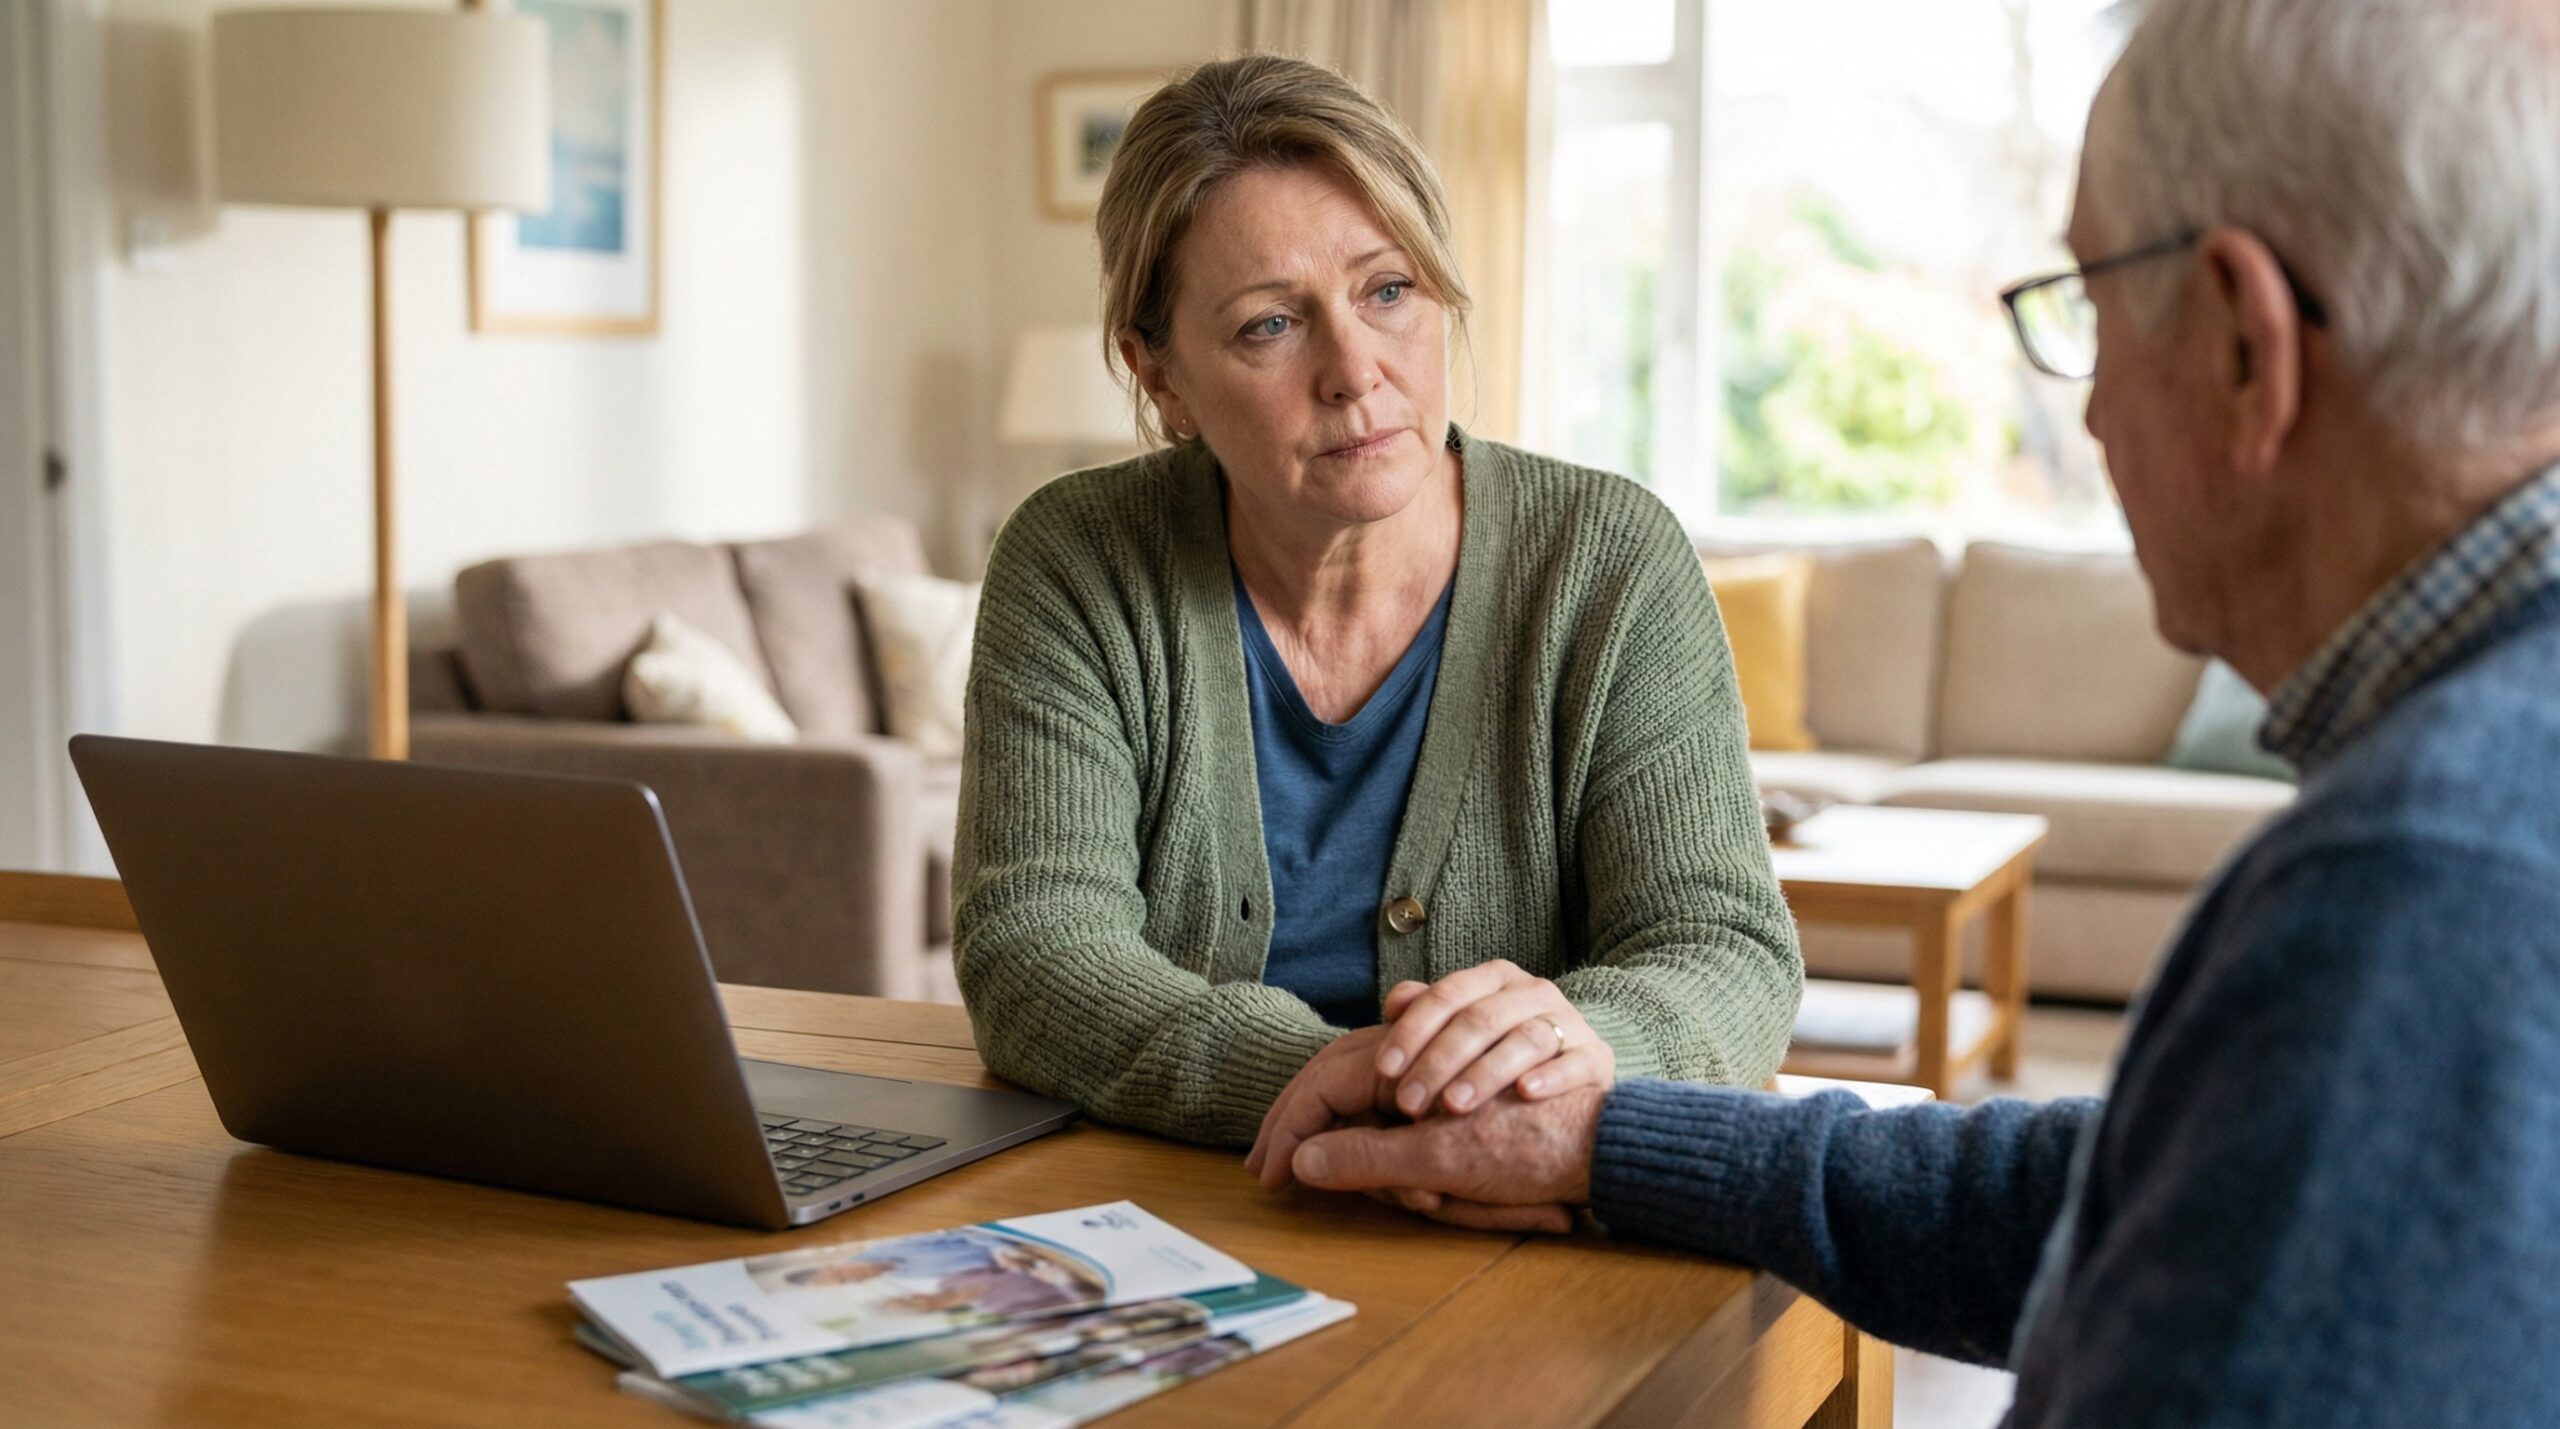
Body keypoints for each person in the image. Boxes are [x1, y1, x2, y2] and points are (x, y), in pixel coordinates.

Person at [1260, 0, 2560, 1421]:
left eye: (2089, 310)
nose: (2093, 415)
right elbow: (2140, 1186)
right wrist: (1609, 1138)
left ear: (2249, 345)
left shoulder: (2424, 890)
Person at [952, 53, 1801, 1153]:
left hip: (1526, 1185)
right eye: (1270, 323)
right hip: (1190, 1187)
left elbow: (1723, 946)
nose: (1356, 368)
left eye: (1386, 291)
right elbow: (1033, 948)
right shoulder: (1077, 560)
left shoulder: (1609, 560)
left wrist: (1562, 1058)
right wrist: (1320, 1076)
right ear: (1161, 380)